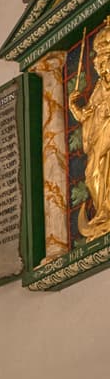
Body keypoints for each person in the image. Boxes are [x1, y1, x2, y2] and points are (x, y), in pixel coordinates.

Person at [68, 25, 110, 243]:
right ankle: (103, 212)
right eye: (101, 63)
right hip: (100, 139)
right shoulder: (99, 88)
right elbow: (88, 115)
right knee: (93, 172)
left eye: (107, 61)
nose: (104, 69)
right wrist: (74, 107)